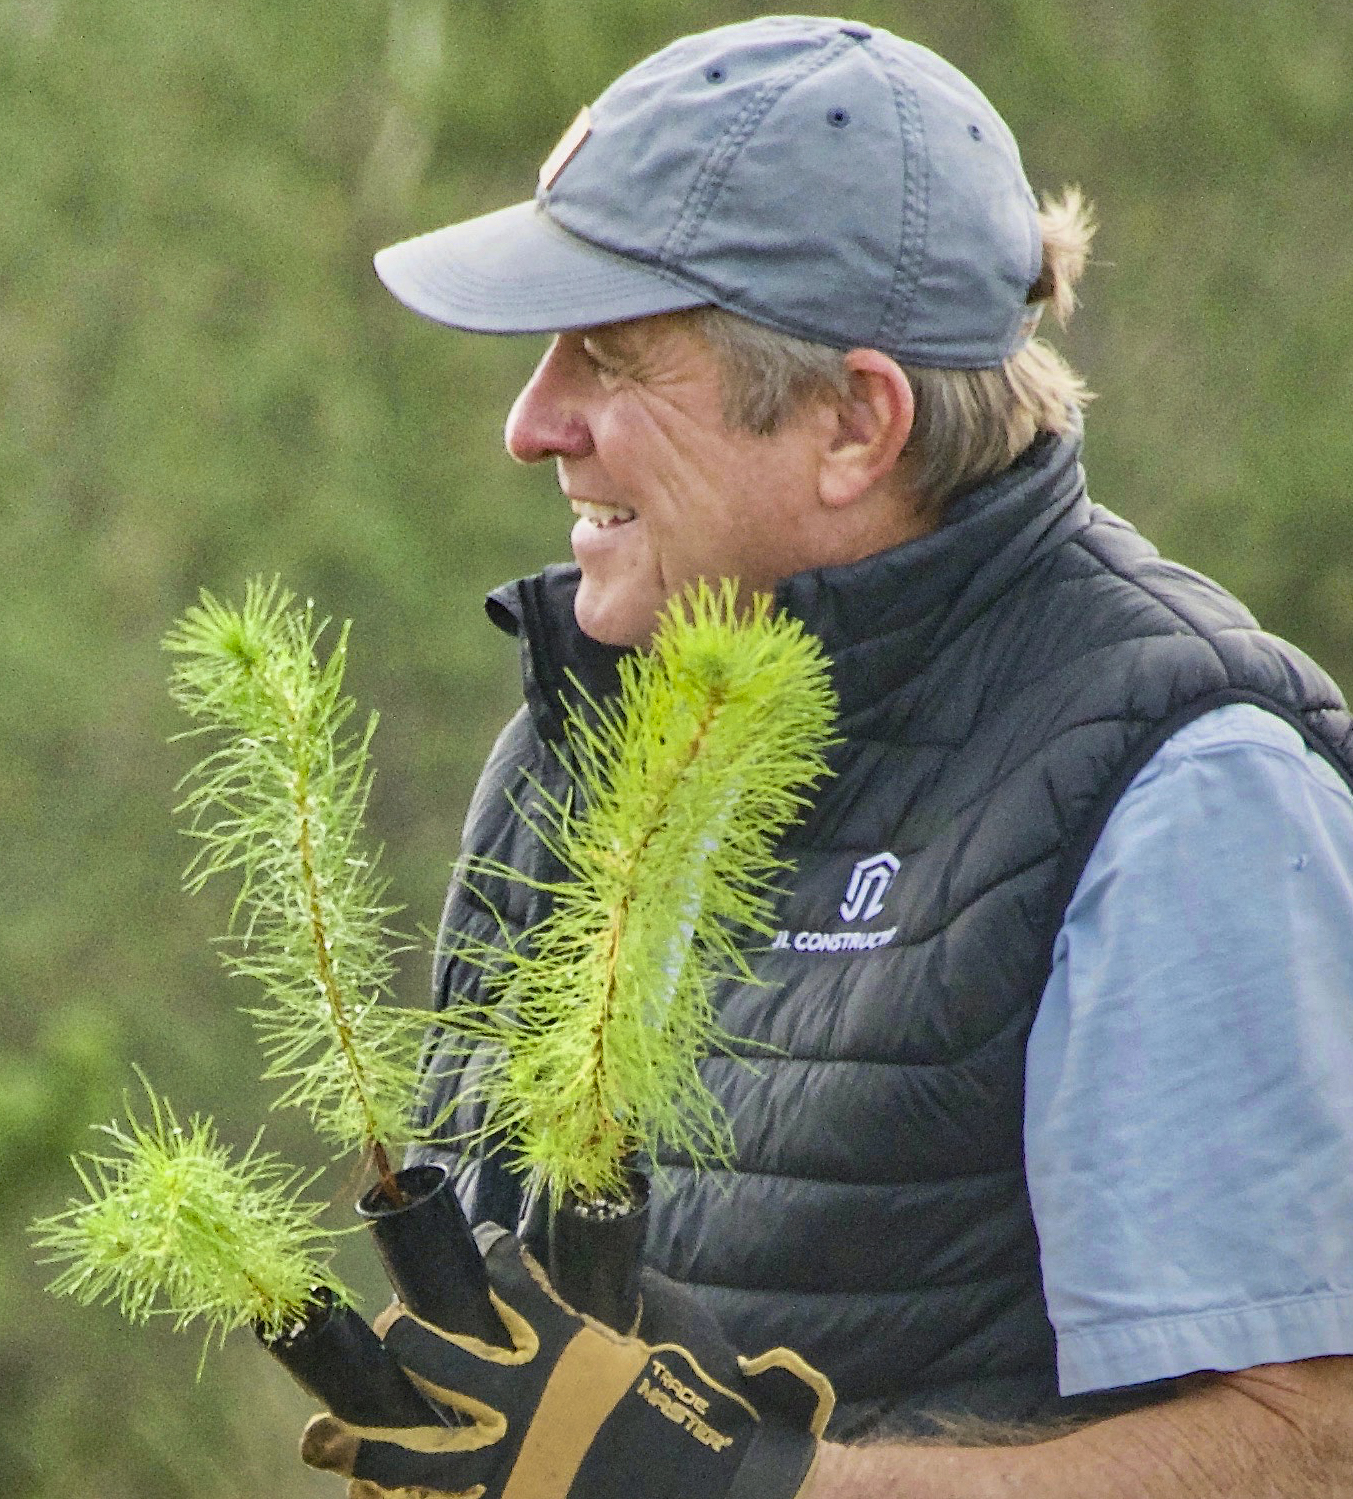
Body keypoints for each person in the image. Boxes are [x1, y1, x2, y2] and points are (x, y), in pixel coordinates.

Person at [300, 16, 1353, 1499]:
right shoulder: (573, 744)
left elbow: (1311, 1448)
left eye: (607, 354)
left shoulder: (1182, 790)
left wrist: (752, 1490)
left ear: (856, 421)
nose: (530, 425)